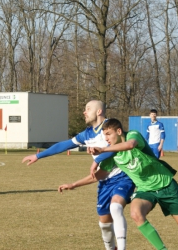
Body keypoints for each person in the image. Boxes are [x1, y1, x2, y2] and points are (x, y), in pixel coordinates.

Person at [22, 100, 135, 250]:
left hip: (122, 176)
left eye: (88, 109)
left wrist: (97, 159)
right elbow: (64, 145)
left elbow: (116, 146)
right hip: (103, 180)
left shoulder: (111, 127)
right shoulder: (87, 134)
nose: (84, 112)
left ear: (99, 111)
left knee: (116, 208)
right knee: (104, 224)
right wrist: (39, 156)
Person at [88, 118, 178, 250]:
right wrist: (72, 185)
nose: (105, 138)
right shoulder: (112, 152)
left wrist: (102, 151)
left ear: (118, 131)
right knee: (135, 214)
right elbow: (100, 175)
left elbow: (130, 145)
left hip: (166, 185)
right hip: (145, 190)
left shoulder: (133, 135)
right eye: (104, 135)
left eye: (108, 134)